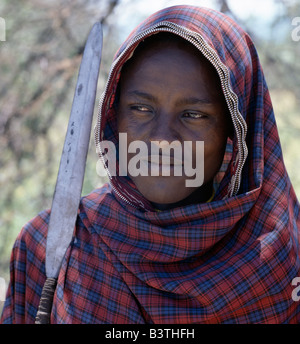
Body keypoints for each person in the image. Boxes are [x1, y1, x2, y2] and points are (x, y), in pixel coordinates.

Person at [1, 5, 300, 324]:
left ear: (235, 129)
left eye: (194, 115)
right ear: (114, 118)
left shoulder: (282, 260)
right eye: (141, 109)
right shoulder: (49, 246)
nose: (161, 139)